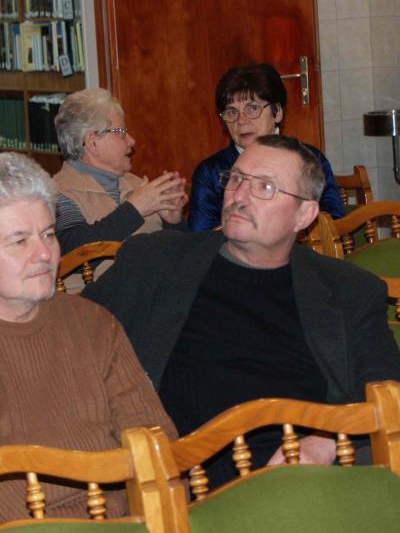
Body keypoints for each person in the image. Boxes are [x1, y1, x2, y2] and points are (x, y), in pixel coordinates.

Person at [82, 135, 400, 488]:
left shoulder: (347, 289)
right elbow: (73, 328)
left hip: (300, 480)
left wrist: (328, 442)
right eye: (236, 179)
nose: (239, 195)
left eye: (264, 186)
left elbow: (387, 390)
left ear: (304, 214)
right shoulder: (155, 260)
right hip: (182, 479)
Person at [0, 152, 176, 522]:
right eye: (19, 241)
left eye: (49, 234)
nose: (44, 254)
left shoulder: (92, 323)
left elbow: (155, 442)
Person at [188, 62, 344, 231]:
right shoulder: (211, 172)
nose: (241, 121)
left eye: (252, 108)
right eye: (232, 112)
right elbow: (201, 238)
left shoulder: (310, 159)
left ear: (277, 112)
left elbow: (334, 224)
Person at [53, 88, 187, 256]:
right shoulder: (58, 193)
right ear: (92, 143)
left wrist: (173, 223)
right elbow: (72, 249)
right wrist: (135, 209)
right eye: (122, 133)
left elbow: (182, 257)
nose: (132, 141)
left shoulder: (138, 184)